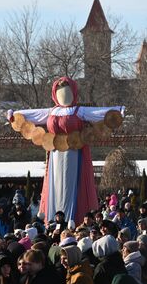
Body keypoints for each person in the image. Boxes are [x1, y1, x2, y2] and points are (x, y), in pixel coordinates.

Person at [8, 77, 124, 223]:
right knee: (55, 186)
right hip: (55, 153)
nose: (64, 96)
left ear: (74, 93)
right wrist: (16, 115)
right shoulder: (51, 112)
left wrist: (117, 110)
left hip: (75, 152)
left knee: (71, 187)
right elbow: (33, 114)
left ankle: (73, 218)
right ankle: (53, 218)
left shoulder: (79, 111)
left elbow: (97, 112)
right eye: (60, 92)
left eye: (68, 92)